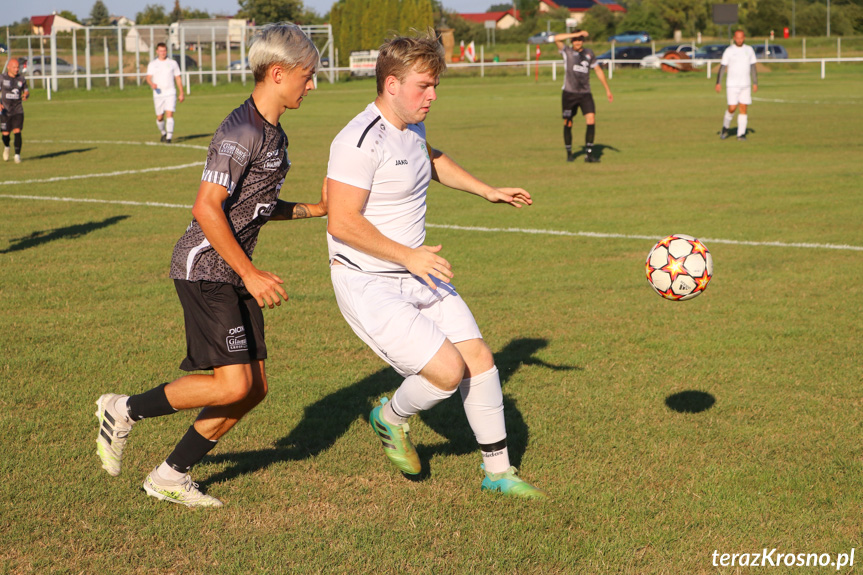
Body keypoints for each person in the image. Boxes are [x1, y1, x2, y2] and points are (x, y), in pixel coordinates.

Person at [95, 23, 327, 508]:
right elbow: (207, 207)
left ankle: (170, 476)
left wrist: (311, 210)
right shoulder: (241, 131)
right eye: (308, 75)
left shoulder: (273, 133)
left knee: (252, 388)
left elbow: (257, 204)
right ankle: (124, 408)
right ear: (279, 73)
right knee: (232, 382)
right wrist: (249, 273)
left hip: (232, 268)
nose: (312, 84)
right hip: (206, 267)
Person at [325, 33, 545, 499]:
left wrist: (486, 190)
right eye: (424, 86)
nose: (433, 95)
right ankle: (390, 417)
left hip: (416, 269)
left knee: (479, 359)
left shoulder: (412, 126)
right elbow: (342, 221)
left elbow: (431, 160)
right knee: (446, 372)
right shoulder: (357, 140)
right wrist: (409, 256)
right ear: (390, 84)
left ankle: (498, 474)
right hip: (369, 280)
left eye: (435, 85)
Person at [553, 30, 613, 163]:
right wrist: (573, 34)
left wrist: (607, 89)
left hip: (585, 93)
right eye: (575, 39)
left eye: (580, 39)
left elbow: (597, 70)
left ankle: (589, 154)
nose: (577, 42)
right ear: (572, 40)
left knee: (591, 119)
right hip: (569, 93)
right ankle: (569, 153)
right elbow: (556, 38)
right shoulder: (567, 51)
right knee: (568, 122)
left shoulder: (589, 53)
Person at [715, 29, 757, 141]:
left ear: (744, 38)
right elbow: (723, 67)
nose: (739, 40)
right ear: (734, 38)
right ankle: (725, 127)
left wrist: (755, 82)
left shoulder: (749, 50)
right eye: (737, 38)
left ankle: (741, 134)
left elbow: (753, 66)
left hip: (745, 85)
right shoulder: (729, 51)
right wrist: (718, 82)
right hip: (732, 85)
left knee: (743, 108)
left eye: (741, 37)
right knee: (732, 108)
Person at [146, 43, 185, 143]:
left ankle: (169, 137)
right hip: (158, 93)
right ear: (157, 51)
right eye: (160, 51)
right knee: (160, 117)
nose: (162, 53)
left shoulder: (172, 63)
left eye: (164, 51)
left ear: (166, 51)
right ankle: (163, 132)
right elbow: (148, 77)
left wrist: (181, 92)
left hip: (170, 92)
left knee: (170, 113)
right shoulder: (153, 64)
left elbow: (178, 78)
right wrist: (152, 84)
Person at [1, 57, 29, 164]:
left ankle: (17, 155)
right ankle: (7, 147)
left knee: (17, 130)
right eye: (14, 67)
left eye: (18, 67)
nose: (17, 69)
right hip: (5, 110)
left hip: (17, 110)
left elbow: (26, 91)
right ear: (8, 67)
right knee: (5, 134)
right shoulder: (2, 78)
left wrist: (26, 95)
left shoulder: (21, 79)